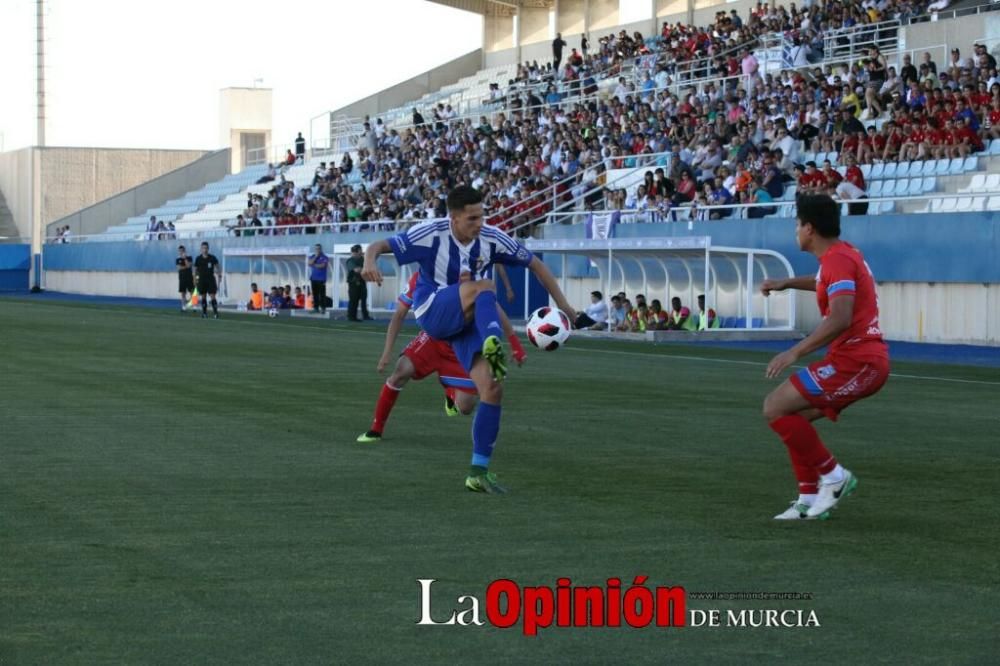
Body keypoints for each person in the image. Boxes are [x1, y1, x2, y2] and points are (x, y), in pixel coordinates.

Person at [361, 186, 576, 494]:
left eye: (482, 215)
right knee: (484, 286)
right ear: (454, 217)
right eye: (472, 218)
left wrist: (566, 308)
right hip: (432, 310)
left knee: (491, 389)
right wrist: (370, 261)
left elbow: (536, 265)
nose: (479, 223)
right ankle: (493, 342)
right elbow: (379, 244)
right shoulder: (430, 234)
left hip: (465, 322)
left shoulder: (491, 237)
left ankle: (478, 472)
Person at [761, 194, 889, 521]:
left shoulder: (837, 261)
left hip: (857, 361)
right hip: (855, 360)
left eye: (797, 224)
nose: (795, 231)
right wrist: (786, 283)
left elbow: (840, 318)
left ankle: (834, 477)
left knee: (774, 407)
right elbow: (823, 283)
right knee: (792, 419)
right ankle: (807, 499)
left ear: (810, 228)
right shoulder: (841, 256)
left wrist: (795, 351)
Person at [357, 272, 526, 443]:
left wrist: (515, 343)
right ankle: (375, 430)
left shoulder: (470, 277)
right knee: (401, 371)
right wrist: (387, 352)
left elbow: (495, 308)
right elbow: (399, 314)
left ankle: (450, 391)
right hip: (433, 339)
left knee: (466, 407)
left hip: (461, 344)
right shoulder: (421, 276)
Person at [194, 242, 221, 319]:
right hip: (202, 280)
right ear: (201, 249)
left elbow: (217, 266)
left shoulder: (212, 258)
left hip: (210, 279)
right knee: (203, 296)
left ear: (208, 249)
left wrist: (219, 275)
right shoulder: (198, 259)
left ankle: (215, 313)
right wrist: (196, 280)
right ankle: (204, 313)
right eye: (203, 248)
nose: (205, 250)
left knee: (213, 296)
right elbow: (196, 271)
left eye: (206, 248)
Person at [345, 244, 371, 321]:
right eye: (357, 251)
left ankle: (365, 315)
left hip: (362, 282)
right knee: (353, 300)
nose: (359, 253)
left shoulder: (363, 259)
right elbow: (356, 270)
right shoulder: (351, 260)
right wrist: (364, 269)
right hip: (353, 283)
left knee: (364, 299)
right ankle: (351, 316)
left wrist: (364, 269)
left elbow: (367, 267)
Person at [308, 244, 330, 314]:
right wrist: (316, 257)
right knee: (315, 294)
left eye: (319, 249)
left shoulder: (325, 257)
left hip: (321, 279)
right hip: (313, 278)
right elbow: (309, 263)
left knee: (322, 294)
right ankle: (316, 308)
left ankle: (323, 308)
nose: (318, 250)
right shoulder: (312, 256)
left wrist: (313, 265)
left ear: (321, 249)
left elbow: (322, 266)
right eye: (316, 249)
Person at [175, 245, 194, 312]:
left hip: (189, 277)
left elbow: (189, 265)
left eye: (182, 251)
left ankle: (193, 306)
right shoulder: (177, 259)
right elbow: (179, 268)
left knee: (192, 291)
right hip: (182, 278)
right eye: (180, 251)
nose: (181, 252)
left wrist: (185, 258)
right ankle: (184, 307)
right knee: (183, 293)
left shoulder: (189, 257)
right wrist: (186, 266)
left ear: (184, 251)